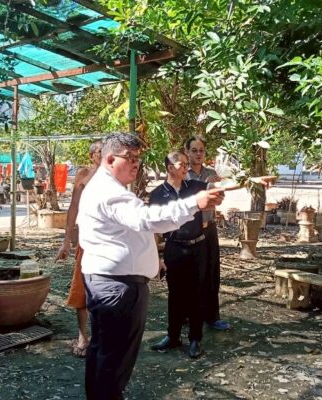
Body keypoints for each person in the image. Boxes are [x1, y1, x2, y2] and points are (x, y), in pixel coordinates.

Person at [77, 132, 225, 400]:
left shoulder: (109, 187)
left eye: (138, 158)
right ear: (110, 159)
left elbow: (134, 229)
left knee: (107, 354)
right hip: (117, 286)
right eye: (130, 158)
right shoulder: (109, 192)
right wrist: (194, 203)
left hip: (113, 282)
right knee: (113, 357)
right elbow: (148, 219)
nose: (136, 163)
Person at [149, 151, 209, 358]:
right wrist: (157, 257)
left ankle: (195, 339)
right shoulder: (157, 194)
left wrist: (247, 181)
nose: (185, 167)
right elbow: (153, 228)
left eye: (186, 164)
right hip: (174, 248)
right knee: (175, 294)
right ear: (169, 168)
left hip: (197, 247)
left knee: (196, 294)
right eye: (181, 164)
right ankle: (173, 336)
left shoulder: (195, 187)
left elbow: (218, 187)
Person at [55, 140, 102, 357]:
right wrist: (66, 241)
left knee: (105, 290)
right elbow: (74, 207)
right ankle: (83, 336)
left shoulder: (115, 176)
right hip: (86, 241)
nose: (103, 154)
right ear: (92, 155)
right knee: (81, 288)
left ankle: (101, 337)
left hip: (108, 242)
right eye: (99, 151)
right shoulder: (84, 174)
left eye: (105, 151)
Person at [185, 135, 231, 330]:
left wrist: (217, 189)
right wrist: (204, 186)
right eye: (194, 150)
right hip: (190, 229)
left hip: (209, 227)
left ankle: (212, 317)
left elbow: (220, 198)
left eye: (201, 151)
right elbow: (180, 199)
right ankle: (187, 316)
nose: (198, 154)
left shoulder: (211, 173)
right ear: (187, 152)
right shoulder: (182, 174)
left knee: (211, 273)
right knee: (190, 274)